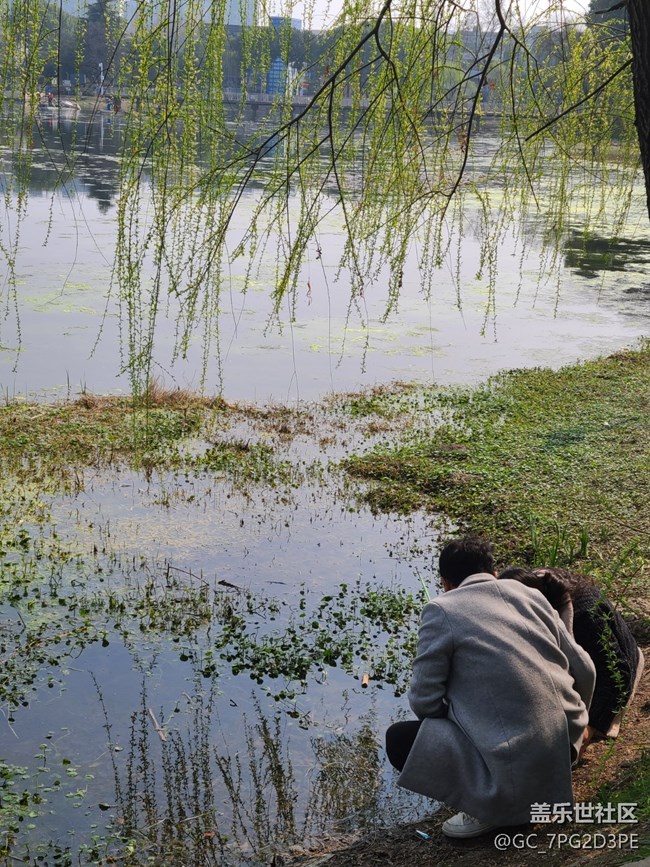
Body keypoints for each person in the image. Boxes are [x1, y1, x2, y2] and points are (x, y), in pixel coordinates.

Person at [386, 537, 596, 839]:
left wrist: (462, 718)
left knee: (399, 738)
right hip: (564, 742)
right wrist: (580, 721)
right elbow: (585, 668)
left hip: (514, 756)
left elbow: (423, 700)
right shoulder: (530, 595)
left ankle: (494, 808)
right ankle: (540, 780)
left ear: (445, 582)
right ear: (493, 572)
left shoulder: (441, 609)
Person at [498, 566, 644, 748]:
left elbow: (616, 674)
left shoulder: (584, 615)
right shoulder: (537, 587)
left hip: (617, 670)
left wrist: (588, 728)